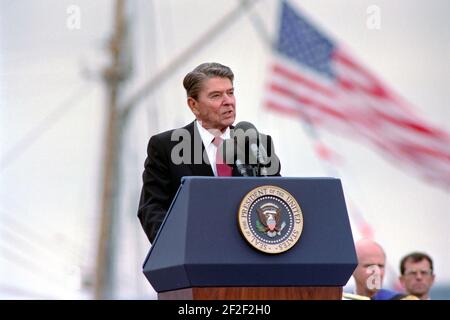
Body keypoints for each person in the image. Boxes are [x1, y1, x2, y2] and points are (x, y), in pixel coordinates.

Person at [137, 62, 281, 243]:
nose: (228, 101)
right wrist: (175, 246)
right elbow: (152, 208)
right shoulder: (167, 147)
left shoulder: (257, 144)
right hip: (194, 255)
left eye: (230, 92)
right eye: (216, 96)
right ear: (194, 105)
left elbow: (276, 198)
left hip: (251, 256)